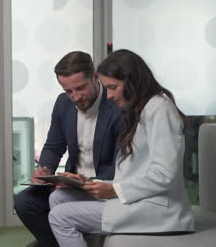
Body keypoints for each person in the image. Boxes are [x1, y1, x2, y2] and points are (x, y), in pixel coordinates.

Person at [48, 49, 195, 247]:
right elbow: (134, 171)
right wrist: (88, 182)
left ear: (131, 81)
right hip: (139, 198)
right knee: (59, 197)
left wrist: (113, 190)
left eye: (113, 87)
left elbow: (165, 175)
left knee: (60, 216)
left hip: (159, 208)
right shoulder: (141, 108)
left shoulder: (160, 109)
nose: (108, 95)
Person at [14, 51, 124, 247]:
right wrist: (44, 170)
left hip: (104, 186)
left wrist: (85, 183)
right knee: (25, 202)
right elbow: (53, 146)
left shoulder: (116, 106)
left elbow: (121, 163)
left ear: (95, 77)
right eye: (68, 91)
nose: (75, 97)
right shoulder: (62, 103)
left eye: (80, 88)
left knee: (57, 203)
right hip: (70, 184)